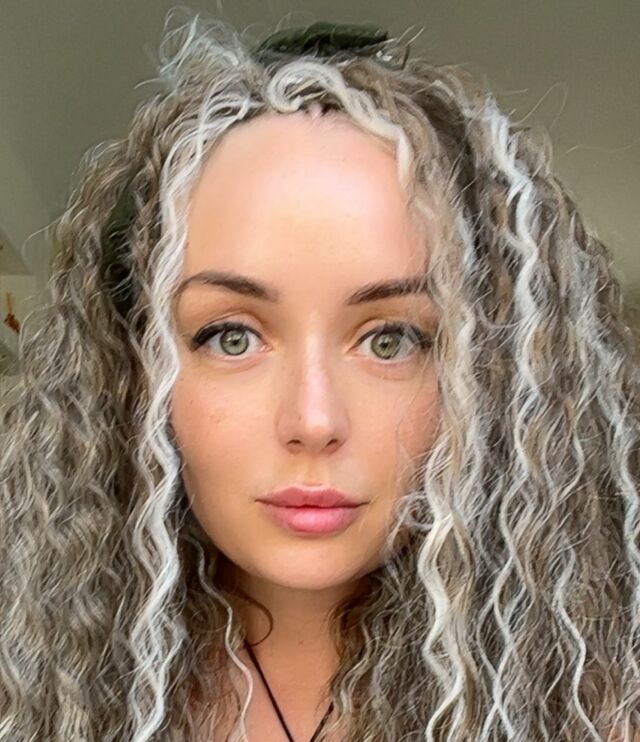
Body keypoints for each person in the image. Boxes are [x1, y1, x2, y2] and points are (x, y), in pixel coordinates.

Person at [1, 8, 638, 742]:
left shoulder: (600, 706)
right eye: (232, 337)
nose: (313, 420)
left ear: (489, 377)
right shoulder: (28, 686)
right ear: (133, 374)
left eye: (391, 339)